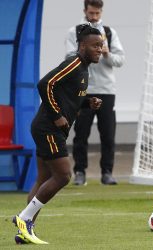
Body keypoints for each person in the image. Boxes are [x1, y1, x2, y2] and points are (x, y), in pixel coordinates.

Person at [12, 24, 104, 244]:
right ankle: (24, 218)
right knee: (63, 176)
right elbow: (45, 84)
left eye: (101, 45)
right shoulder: (73, 63)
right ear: (82, 46)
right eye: (95, 45)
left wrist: (87, 102)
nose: (100, 49)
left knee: (43, 178)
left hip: (47, 128)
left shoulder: (83, 68)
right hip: (48, 128)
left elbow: (68, 97)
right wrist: (56, 116)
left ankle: (25, 231)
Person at [65, 0, 125, 186]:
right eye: (91, 13)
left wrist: (106, 53)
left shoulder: (109, 32)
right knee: (81, 133)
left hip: (106, 90)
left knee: (107, 134)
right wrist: (87, 49)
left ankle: (107, 172)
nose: (94, 17)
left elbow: (120, 60)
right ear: (85, 11)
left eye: (97, 13)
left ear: (101, 12)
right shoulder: (74, 32)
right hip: (82, 90)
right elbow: (68, 59)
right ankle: (80, 172)